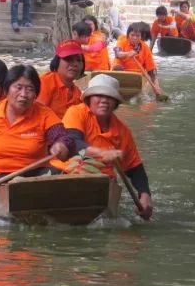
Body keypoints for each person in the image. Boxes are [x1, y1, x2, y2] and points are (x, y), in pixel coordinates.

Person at [0, 64, 75, 199]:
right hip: (0, 178)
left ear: (35, 94)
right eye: (18, 87)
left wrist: (61, 145)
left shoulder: (45, 114)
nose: (23, 94)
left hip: (37, 176)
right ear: (6, 90)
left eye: (29, 89)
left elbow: (63, 137)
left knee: (62, 178)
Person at [62, 74, 153, 219]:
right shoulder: (76, 112)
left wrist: (145, 194)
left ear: (116, 102)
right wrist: (100, 153)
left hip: (104, 184)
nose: (104, 100)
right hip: (70, 174)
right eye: (98, 95)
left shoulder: (122, 131)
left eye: (109, 97)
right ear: (89, 99)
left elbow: (135, 169)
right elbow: (72, 142)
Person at [37, 39, 85, 119]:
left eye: (78, 60)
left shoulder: (77, 93)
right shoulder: (46, 82)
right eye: (69, 59)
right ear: (57, 62)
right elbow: (37, 114)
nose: (75, 64)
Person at [113, 23, 164, 97]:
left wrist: (156, 86)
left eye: (137, 36)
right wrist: (128, 53)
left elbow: (152, 71)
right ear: (128, 35)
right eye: (132, 35)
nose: (135, 38)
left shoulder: (145, 48)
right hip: (120, 71)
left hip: (136, 77)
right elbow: (117, 54)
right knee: (117, 68)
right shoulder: (122, 40)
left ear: (141, 37)